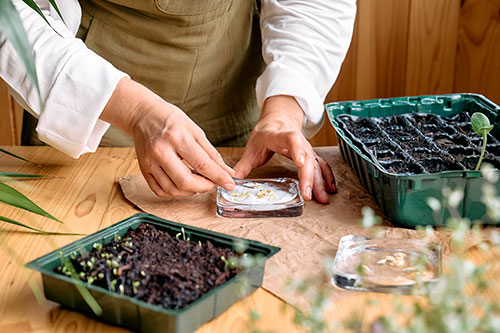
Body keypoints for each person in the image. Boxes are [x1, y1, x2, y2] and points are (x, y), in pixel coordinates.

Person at [0, 0, 355, 203]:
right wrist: (135, 110)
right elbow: (11, 14)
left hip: (231, 80)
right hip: (88, 92)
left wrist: (283, 111)